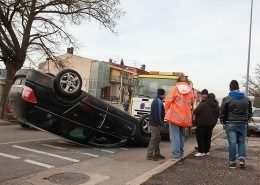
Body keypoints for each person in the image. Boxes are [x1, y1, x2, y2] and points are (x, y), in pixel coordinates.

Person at [220, 80, 252, 169]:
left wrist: (223, 121)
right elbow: (250, 112)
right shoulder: (246, 99)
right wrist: (246, 119)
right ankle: (242, 159)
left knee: (232, 143)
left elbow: (222, 112)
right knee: (241, 142)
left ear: (230, 87)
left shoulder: (227, 98)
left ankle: (232, 162)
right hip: (243, 124)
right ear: (238, 87)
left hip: (230, 123)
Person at [164, 76, 195, 159]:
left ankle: (176, 154)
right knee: (181, 135)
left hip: (174, 116)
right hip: (185, 118)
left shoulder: (174, 89)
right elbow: (192, 103)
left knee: (175, 136)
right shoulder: (190, 90)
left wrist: (167, 110)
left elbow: (168, 101)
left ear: (177, 81)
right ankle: (181, 153)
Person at [193, 92, 219, 156]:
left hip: (201, 123)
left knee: (200, 138)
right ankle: (207, 151)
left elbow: (196, 112)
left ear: (208, 97)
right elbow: (218, 115)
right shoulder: (216, 105)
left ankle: (201, 151)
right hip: (211, 124)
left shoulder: (203, 103)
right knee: (208, 137)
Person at [147, 89, 166, 161]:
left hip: (155, 122)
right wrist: (159, 123)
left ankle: (157, 153)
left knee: (158, 139)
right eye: (164, 94)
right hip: (155, 123)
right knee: (154, 139)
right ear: (163, 94)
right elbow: (158, 114)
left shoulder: (158, 100)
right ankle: (149, 155)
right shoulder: (158, 101)